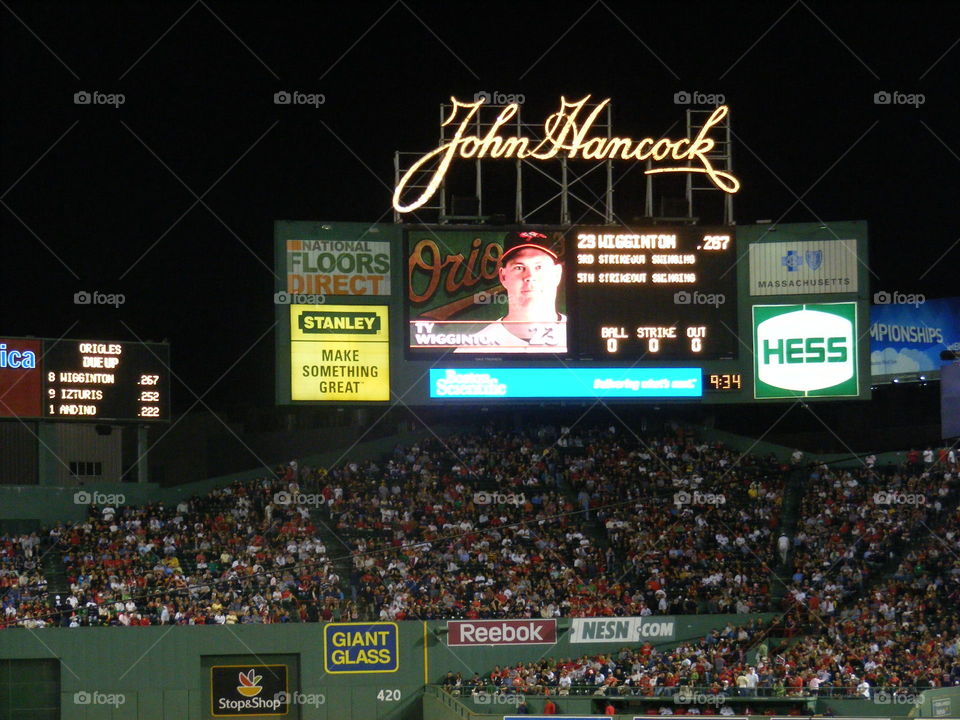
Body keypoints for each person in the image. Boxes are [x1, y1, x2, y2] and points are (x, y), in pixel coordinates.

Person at [455, 230, 566, 353]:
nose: (529, 276)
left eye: (539, 267)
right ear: (503, 276)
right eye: (519, 267)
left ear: (557, 274)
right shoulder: (472, 349)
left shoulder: (582, 336)